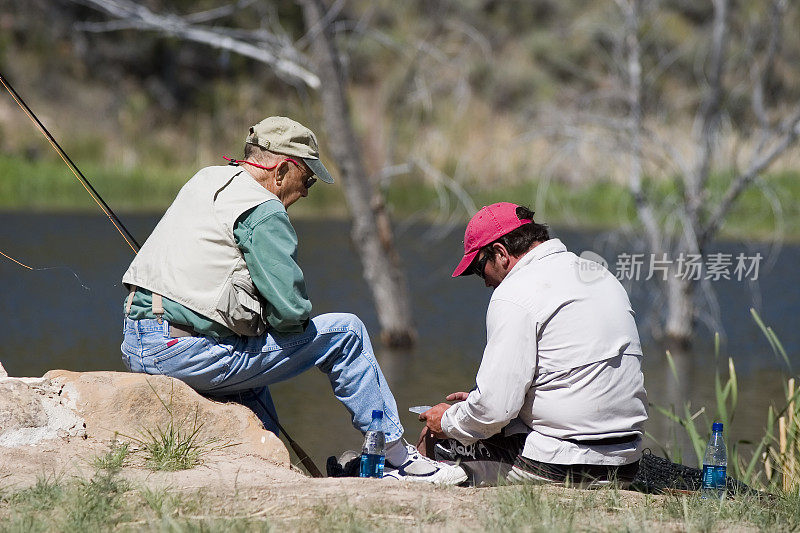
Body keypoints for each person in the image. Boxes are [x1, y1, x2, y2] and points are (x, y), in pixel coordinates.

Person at [120, 116, 466, 485]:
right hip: (183, 352)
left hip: (139, 341)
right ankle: (396, 455)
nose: (307, 192)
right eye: (308, 179)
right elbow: (291, 312)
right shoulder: (264, 209)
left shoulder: (205, 180)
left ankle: (267, 464)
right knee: (346, 332)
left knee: (253, 376)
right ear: (282, 170)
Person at [419, 202, 648, 487]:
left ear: (501, 253)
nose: (486, 282)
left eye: (480, 269)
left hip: (565, 464)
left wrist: (448, 421)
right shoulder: (599, 274)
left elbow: (494, 411)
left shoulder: (515, 292)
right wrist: (480, 404)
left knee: (436, 435)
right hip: (625, 462)